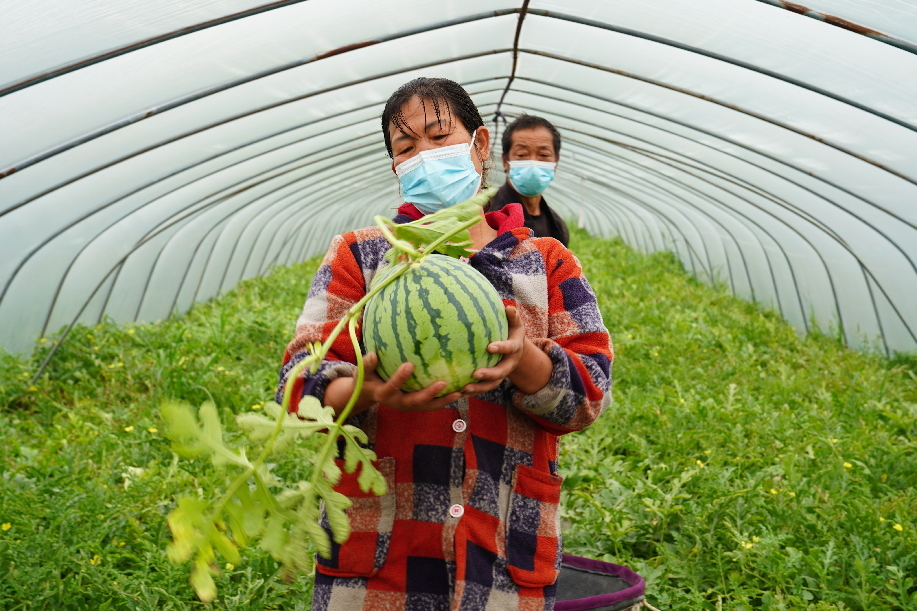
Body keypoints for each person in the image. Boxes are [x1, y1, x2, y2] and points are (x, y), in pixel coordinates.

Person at [277, 77, 612, 611]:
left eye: (439, 137)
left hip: (503, 554)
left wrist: (525, 358)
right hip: (378, 563)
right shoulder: (361, 259)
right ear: (395, 167)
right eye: (407, 148)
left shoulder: (546, 261)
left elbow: (589, 396)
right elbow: (297, 388)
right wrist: (370, 389)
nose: (425, 157)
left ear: (479, 146)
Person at [488, 114, 570, 247]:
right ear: (505, 161)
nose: (533, 163)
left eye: (544, 155)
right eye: (522, 155)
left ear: (556, 162)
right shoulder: (487, 213)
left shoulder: (557, 226)